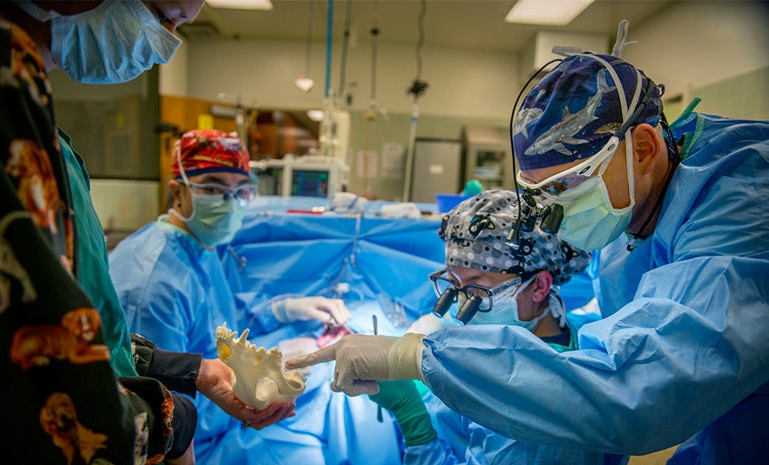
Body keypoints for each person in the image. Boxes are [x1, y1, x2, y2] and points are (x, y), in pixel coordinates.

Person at [287, 52, 769, 464]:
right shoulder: (634, 216)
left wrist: (414, 373)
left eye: (566, 189)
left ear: (642, 148)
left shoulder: (742, 205)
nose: (554, 217)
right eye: (539, 195)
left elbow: (639, 389)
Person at [0, 2, 288, 463]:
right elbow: (51, 386)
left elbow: (98, 337)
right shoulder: (3, 105)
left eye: (240, 192)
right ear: (179, 192)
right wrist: (174, 422)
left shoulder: (39, 123)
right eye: (164, 15)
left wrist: (192, 372)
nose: (166, 48)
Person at [109, 129, 402, 465]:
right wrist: (256, 381)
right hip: (202, 440)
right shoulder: (152, 288)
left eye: (240, 191)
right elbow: (164, 411)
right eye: (213, 188)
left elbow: (221, 320)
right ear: (178, 191)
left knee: (327, 385)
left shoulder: (198, 248)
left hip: (213, 417)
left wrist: (286, 310)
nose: (229, 202)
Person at [371, 189, 607, 464]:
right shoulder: (574, 328)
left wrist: (412, 418)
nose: (461, 307)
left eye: (478, 289)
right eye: (455, 286)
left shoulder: (533, 398)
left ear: (539, 287)